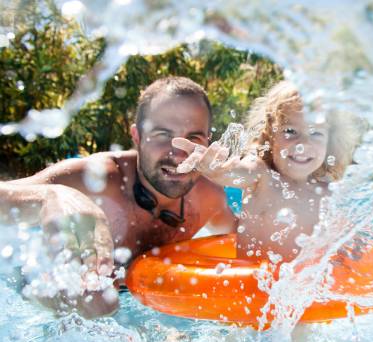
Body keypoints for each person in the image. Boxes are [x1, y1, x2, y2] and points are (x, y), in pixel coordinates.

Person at [0, 76, 237, 317]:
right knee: (98, 302)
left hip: (143, 312)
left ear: (208, 142)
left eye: (193, 138)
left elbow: (249, 242)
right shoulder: (96, 180)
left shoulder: (210, 197)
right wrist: (50, 196)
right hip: (30, 303)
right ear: (137, 137)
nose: (178, 154)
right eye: (163, 135)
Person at [173, 80, 366, 263]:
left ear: (330, 142)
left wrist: (354, 245)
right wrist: (218, 170)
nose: (302, 144)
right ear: (270, 135)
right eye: (290, 131)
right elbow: (237, 172)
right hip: (251, 288)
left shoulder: (329, 194)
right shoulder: (262, 175)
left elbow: (343, 246)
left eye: (316, 133)